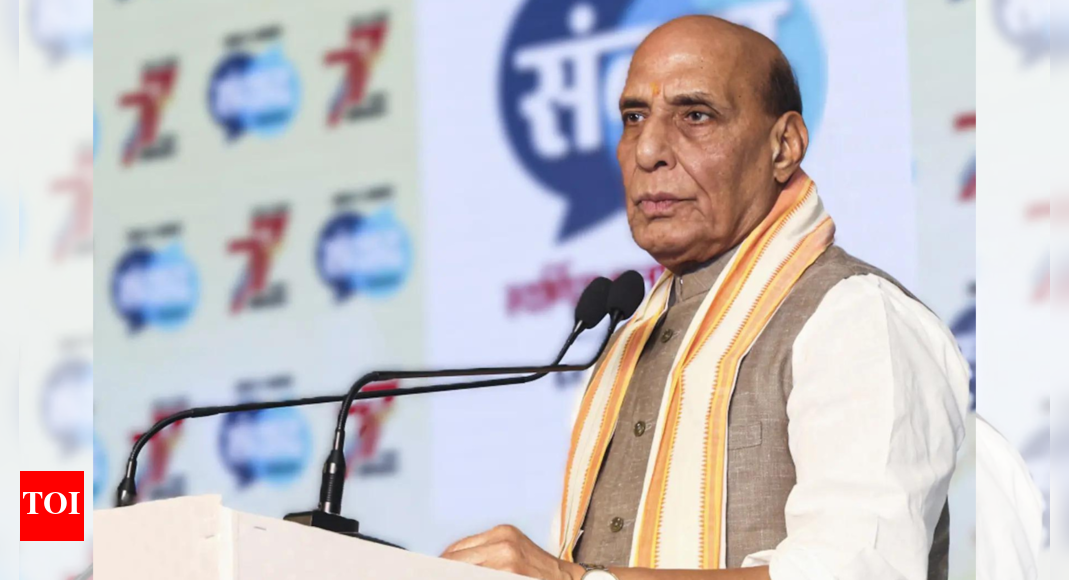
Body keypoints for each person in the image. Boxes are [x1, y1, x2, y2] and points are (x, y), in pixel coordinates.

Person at [441, 15, 970, 580]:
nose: (648, 150)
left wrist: (574, 579)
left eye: (695, 115)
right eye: (634, 117)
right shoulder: (627, 339)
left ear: (784, 146)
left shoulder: (855, 316)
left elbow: (855, 572)